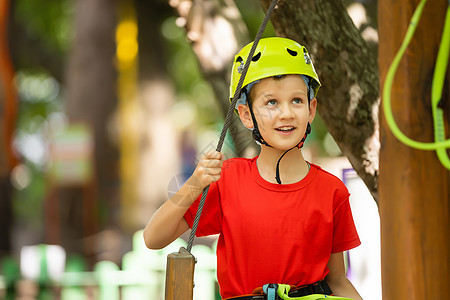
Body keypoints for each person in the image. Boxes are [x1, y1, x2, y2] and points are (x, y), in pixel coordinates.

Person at [144, 37, 363, 300]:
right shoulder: (228, 181)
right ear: (246, 114)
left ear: (311, 108)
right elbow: (153, 237)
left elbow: (337, 279)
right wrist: (194, 185)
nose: (286, 113)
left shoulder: (332, 191)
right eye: (271, 102)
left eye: (296, 100)